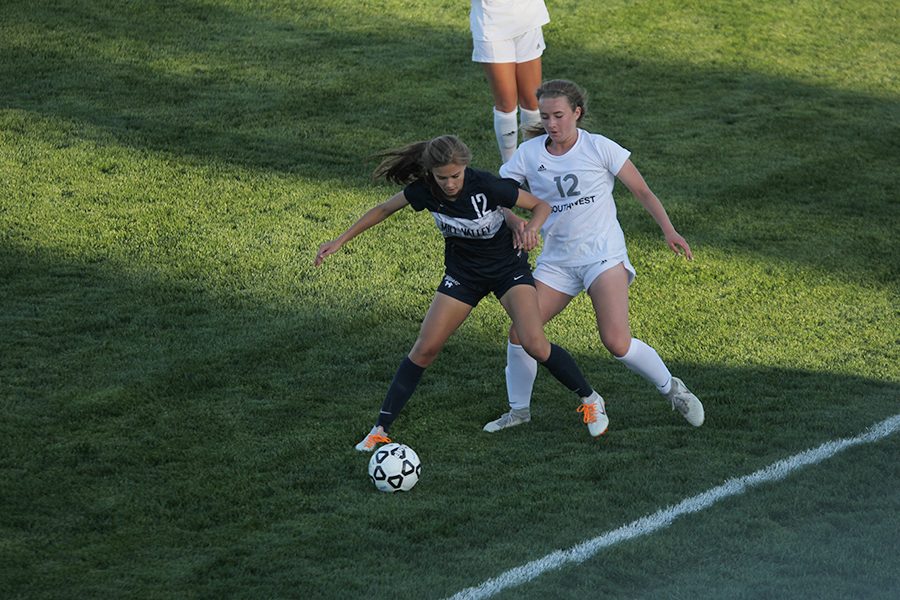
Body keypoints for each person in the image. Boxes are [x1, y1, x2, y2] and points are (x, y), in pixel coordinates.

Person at [313, 135, 608, 451]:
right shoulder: (424, 191)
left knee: (534, 343)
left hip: (507, 270)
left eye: (456, 176)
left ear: (465, 168)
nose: (451, 183)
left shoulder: (486, 185)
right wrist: (340, 240)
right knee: (425, 348)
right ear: (431, 173)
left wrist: (532, 227)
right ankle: (380, 429)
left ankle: (590, 399)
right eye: (443, 178)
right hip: (463, 276)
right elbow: (384, 209)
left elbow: (541, 205)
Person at [484, 79, 705, 433]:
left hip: (602, 256)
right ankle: (519, 413)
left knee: (616, 341)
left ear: (577, 113)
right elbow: (499, 197)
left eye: (559, 115)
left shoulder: (599, 148)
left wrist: (669, 229)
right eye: (546, 117)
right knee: (521, 334)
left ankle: (673, 390)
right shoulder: (529, 154)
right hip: (557, 261)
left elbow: (642, 190)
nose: (552, 124)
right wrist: (518, 224)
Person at [470, 0, 550, 164]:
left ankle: (533, 163)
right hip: (492, 25)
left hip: (529, 19)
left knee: (532, 101)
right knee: (506, 104)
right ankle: (510, 170)